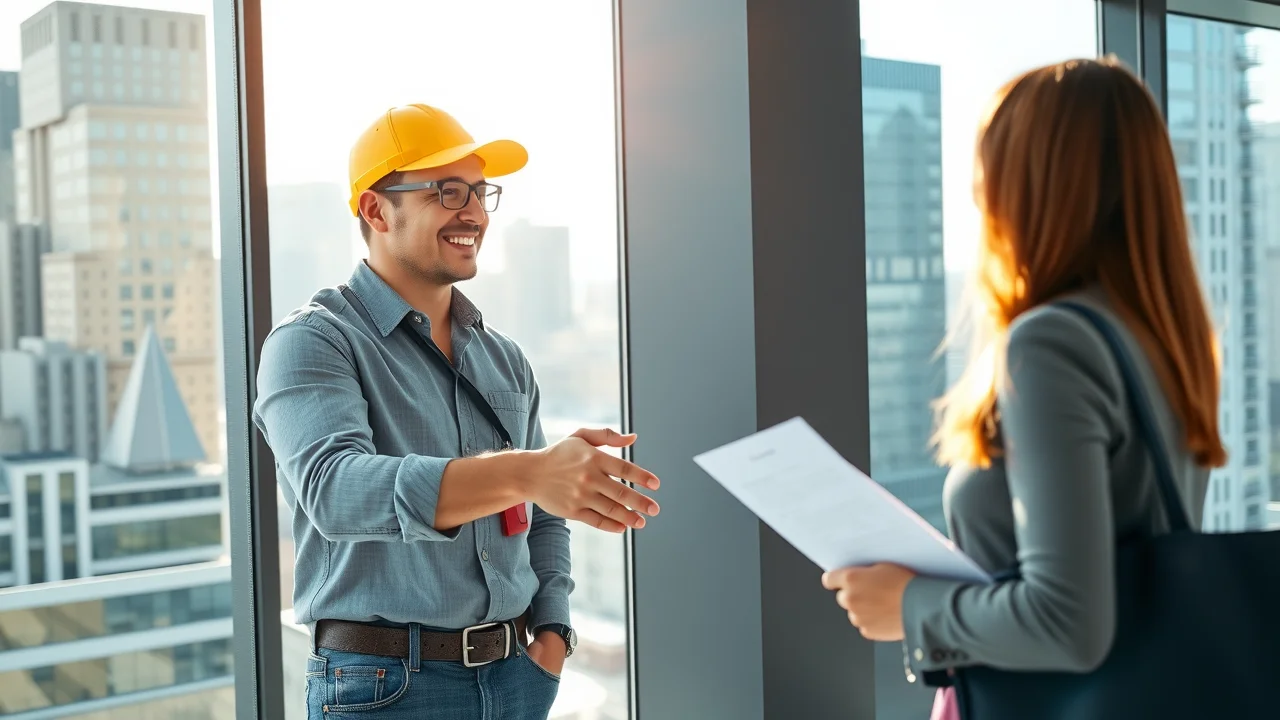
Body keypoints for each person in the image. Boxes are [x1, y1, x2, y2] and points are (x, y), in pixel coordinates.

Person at [820, 58, 1224, 717]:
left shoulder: (1050, 344)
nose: (979, 196)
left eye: (989, 169)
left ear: (1034, 185)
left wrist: (909, 604)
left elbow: (1069, 620)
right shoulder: (1165, 339)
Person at [254, 103, 662, 720]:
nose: (472, 211)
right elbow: (335, 492)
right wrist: (527, 471)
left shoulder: (505, 358)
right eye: (446, 191)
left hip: (517, 679)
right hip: (383, 688)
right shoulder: (313, 341)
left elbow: (543, 521)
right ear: (374, 210)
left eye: (478, 191)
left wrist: (553, 635)